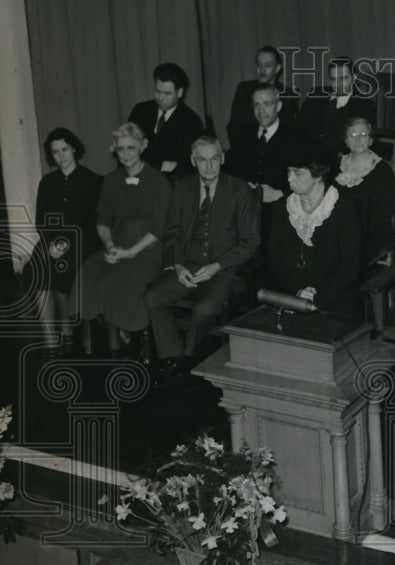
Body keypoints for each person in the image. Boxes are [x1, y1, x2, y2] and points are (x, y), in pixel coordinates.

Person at [143, 137, 260, 387]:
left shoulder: (239, 190)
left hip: (224, 270)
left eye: (214, 159)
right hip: (188, 265)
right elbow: (171, 233)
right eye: (203, 160)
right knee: (153, 296)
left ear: (222, 158)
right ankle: (171, 354)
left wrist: (217, 266)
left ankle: (188, 355)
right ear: (193, 161)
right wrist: (178, 266)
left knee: (204, 309)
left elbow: (250, 242)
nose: (209, 166)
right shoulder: (182, 188)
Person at [73, 123, 172, 357]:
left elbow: (159, 229)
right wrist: (110, 246)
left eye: (131, 148)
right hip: (117, 245)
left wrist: (130, 253)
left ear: (142, 147)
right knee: (86, 277)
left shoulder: (158, 180)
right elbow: (103, 220)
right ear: (114, 150)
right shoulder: (111, 180)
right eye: (120, 149)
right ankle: (118, 329)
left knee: (113, 281)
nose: (126, 154)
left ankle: (116, 342)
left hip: (148, 249)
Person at [265, 141, 362, 318]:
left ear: (318, 176)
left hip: (333, 297)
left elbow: (350, 268)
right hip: (290, 292)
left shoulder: (343, 209)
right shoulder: (282, 207)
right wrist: (298, 291)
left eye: (298, 173)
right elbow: (275, 259)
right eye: (288, 171)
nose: (289, 179)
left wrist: (317, 297)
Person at [28, 128, 102, 354]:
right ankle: (50, 340)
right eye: (56, 152)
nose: (61, 156)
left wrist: (66, 244)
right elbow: (41, 221)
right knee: (36, 267)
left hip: (83, 242)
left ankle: (68, 330)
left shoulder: (93, 180)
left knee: (62, 267)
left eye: (65, 149)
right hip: (52, 241)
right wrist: (51, 244)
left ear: (74, 149)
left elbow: (95, 223)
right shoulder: (47, 182)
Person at [226, 82, 299, 249]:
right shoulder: (243, 134)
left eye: (267, 104)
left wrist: (281, 193)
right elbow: (230, 172)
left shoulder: (296, 137)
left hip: (281, 214)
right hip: (244, 213)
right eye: (256, 105)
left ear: (278, 106)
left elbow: (311, 180)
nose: (261, 111)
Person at [333, 116, 395, 265]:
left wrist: (352, 229)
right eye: (352, 135)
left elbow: (385, 210)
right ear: (346, 141)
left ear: (371, 140)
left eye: (363, 134)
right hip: (337, 228)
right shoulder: (336, 165)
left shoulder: (382, 169)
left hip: (370, 231)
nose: (358, 140)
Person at [127, 62, 204, 180]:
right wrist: (161, 164)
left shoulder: (192, 122)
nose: (160, 98)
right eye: (157, 91)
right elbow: (124, 149)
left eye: (167, 94)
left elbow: (189, 166)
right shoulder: (140, 111)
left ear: (180, 93)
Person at [297, 55, 377, 159]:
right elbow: (299, 128)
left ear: (354, 78)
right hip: (308, 156)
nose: (338, 85)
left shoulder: (364, 106)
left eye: (343, 78)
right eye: (333, 79)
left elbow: (360, 143)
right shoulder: (316, 95)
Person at [225, 45, 299, 149]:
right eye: (259, 65)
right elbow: (234, 126)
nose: (262, 70)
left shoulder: (287, 94)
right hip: (244, 148)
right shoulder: (244, 89)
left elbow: (288, 132)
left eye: (268, 65)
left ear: (277, 68)